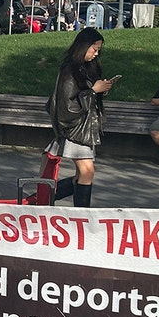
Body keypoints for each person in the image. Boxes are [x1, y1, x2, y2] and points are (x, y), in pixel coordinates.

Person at [44, 28, 114, 207]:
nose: (96, 54)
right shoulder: (70, 70)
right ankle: (80, 213)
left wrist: (99, 90)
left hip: (82, 127)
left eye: (98, 50)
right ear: (83, 47)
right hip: (75, 128)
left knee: (83, 174)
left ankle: (43, 198)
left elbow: (80, 97)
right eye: (94, 49)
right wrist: (93, 91)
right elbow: (67, 105)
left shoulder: (84, 68)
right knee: (86, 171)